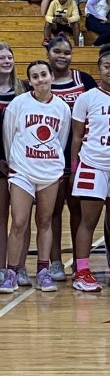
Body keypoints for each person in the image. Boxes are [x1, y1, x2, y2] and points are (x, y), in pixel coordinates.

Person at [1, 60, 71, 294]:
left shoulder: (62, 108)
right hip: (22, 170)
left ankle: (43, 271)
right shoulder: (18, 104)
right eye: (35, 76)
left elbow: (61, 140)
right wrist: (14, 163)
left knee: (45, 221)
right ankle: (11, 273)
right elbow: (8, 136)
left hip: (49, 171)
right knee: (19, 222)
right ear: (29, 81)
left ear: (52, 76)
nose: (40, 79)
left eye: (43, 74)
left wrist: (54, 164)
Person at [70, 48, 110, 292]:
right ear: (99, 69)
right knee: (88, 221)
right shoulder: (86, 99)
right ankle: (82, 272)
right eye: (107, 66)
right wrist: (74, 168)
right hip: (92, 165)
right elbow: (76, 137)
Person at [47, 35, 97, 282]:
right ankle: (55, 262)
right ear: (48, 53)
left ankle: (80, 262)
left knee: (78, 210)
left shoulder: (83, 80)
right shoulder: (41, 80)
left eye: (66, 52)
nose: (62, 56)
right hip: (49, 157)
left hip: (79, 156)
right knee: (53, 211)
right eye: (57, 51)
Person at [0, 44, 26, 276]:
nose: (7, 61)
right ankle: (1, 268)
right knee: (1, 218)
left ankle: (19, 267)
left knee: (21, 219)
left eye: (10, 57)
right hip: (0, 163)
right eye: (2, 58)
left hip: (22, 164)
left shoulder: (23, 89)